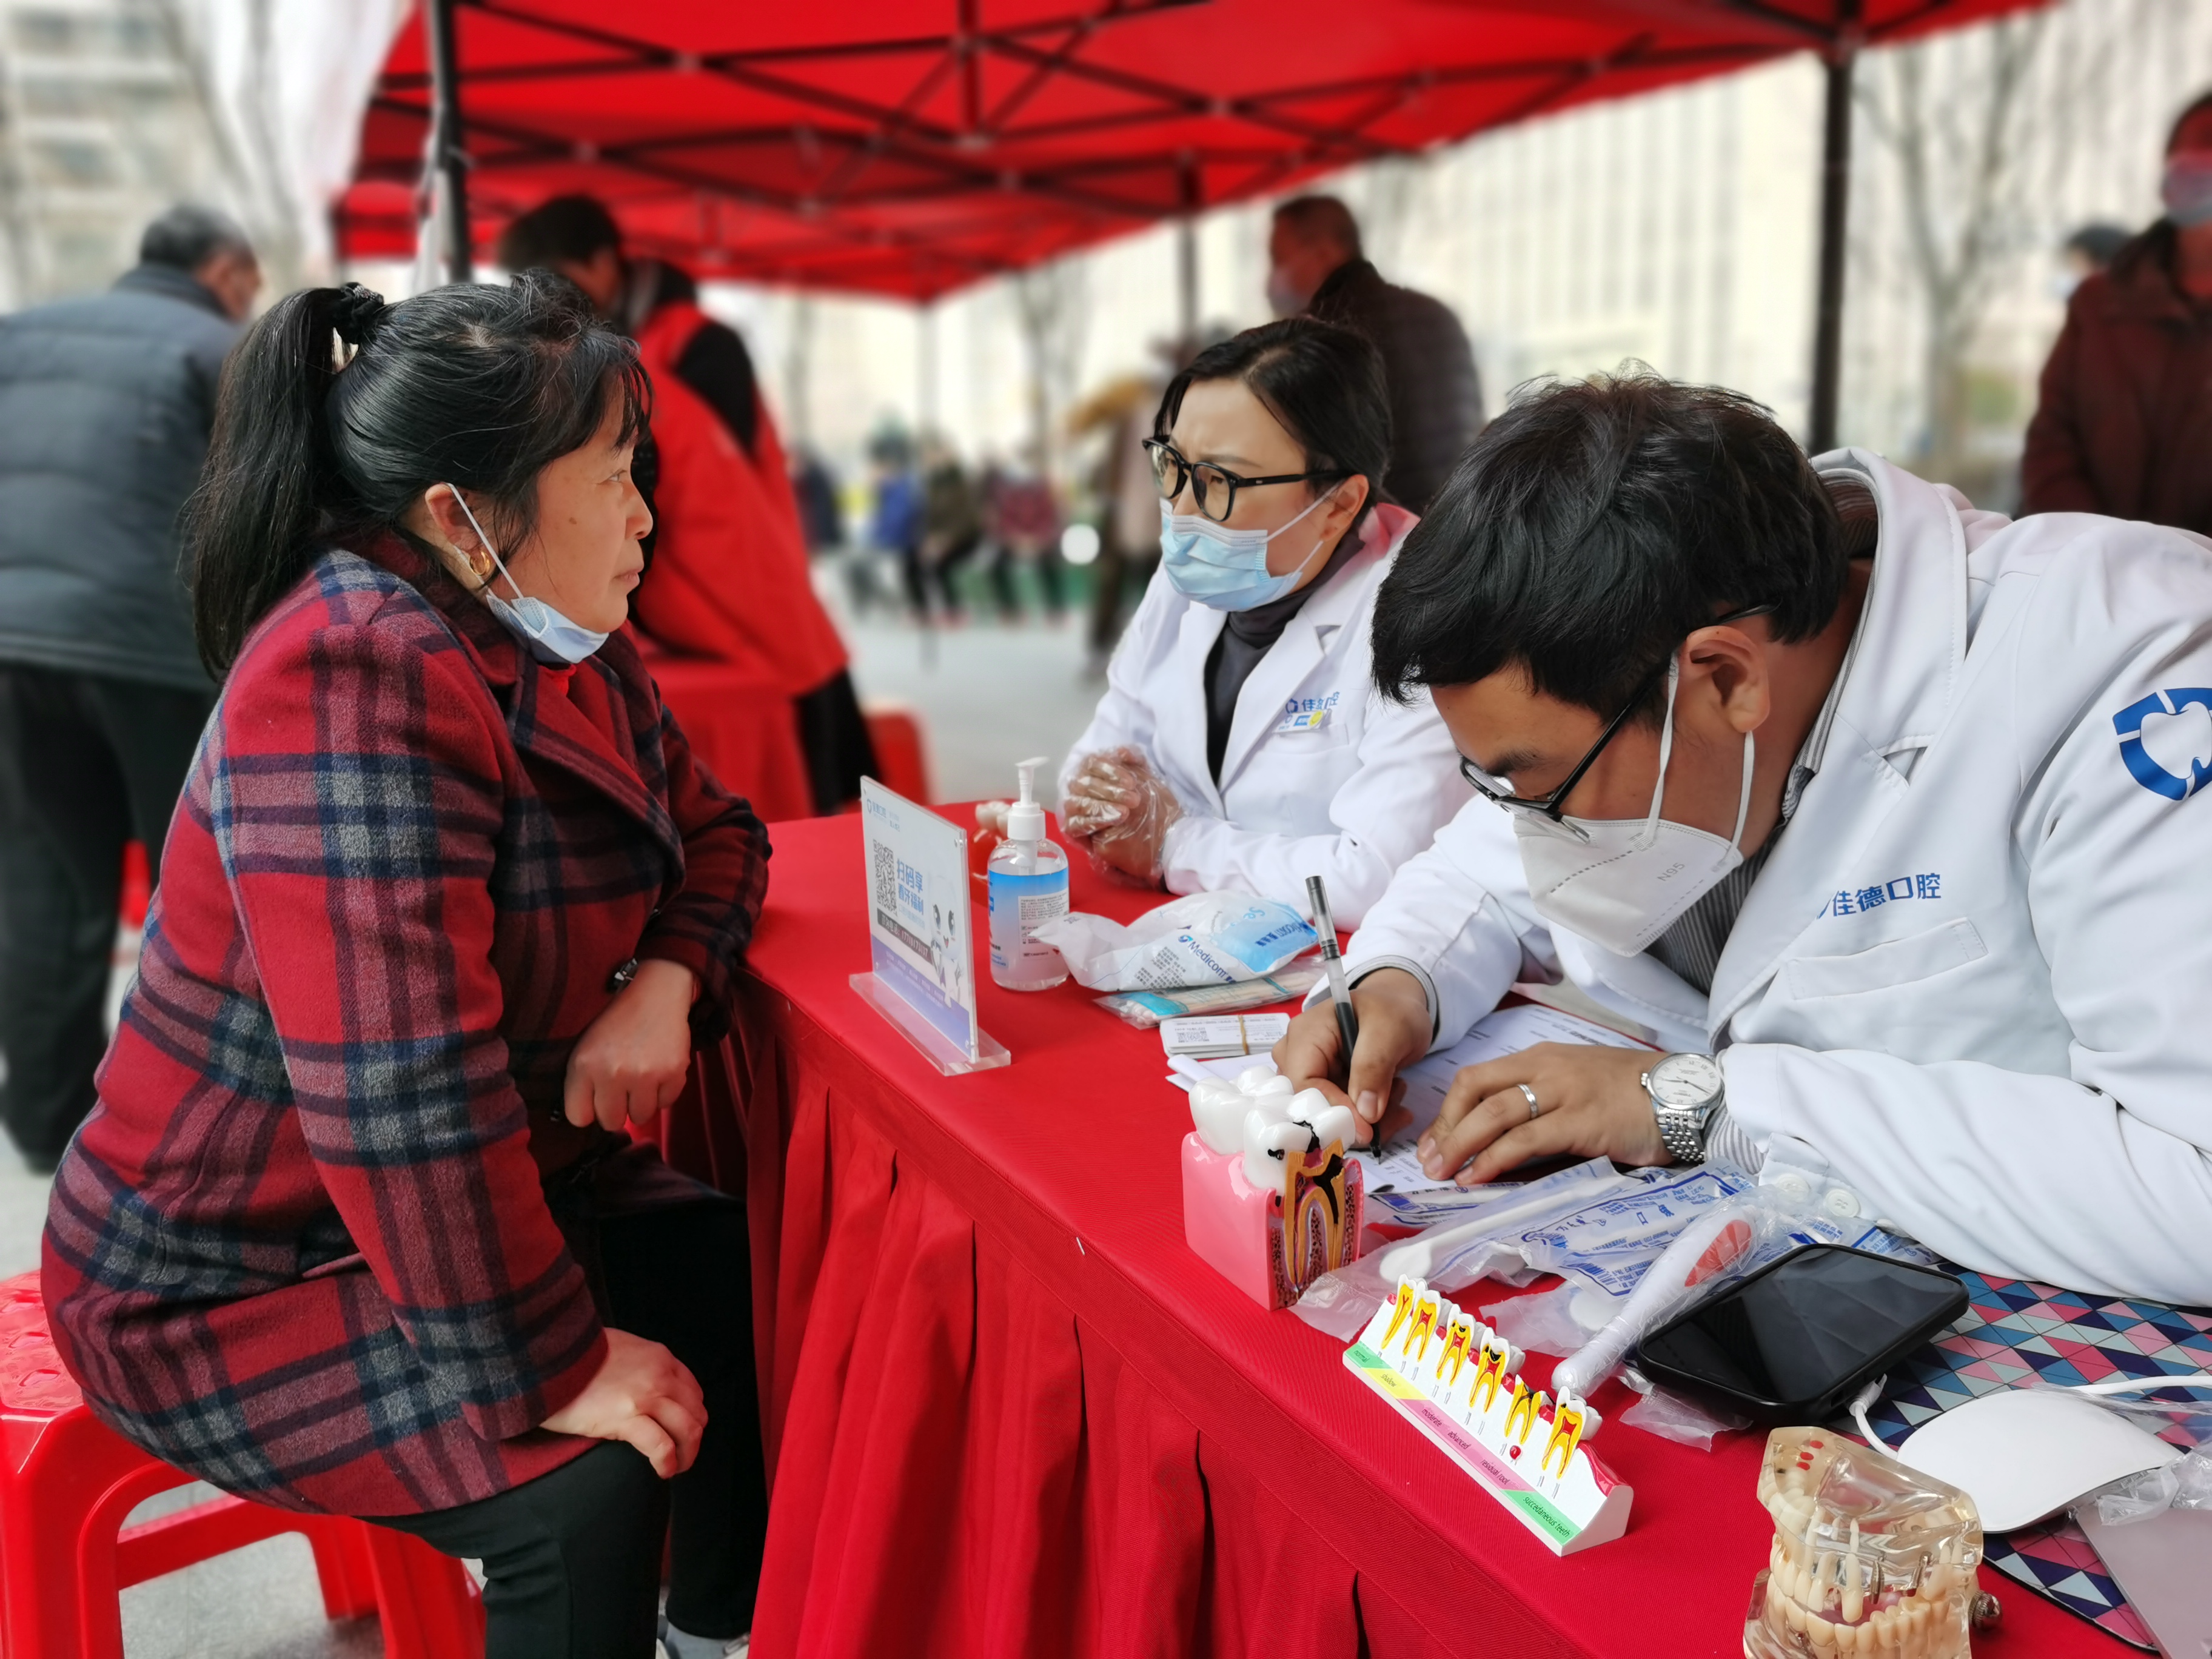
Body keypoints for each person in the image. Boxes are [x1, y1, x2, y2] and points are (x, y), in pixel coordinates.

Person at [42, 275, 770, 1658]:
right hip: (231, 1274)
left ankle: (715, 1633)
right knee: (588, 1483)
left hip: (470, 1199)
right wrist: (552, 1365)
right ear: (459, 510)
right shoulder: (348, 673)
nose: (644, 517)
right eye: (613, 478)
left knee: (736, 1269)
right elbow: (402, 1094)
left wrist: (669, 980)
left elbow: (723, 835)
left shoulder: (559, 634)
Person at [1273, 370, 2212, 1307]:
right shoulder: (1634, 664)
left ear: (1726, 680)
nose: (1523, 816)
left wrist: (1700, 1105)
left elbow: (2193, 1184)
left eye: (1537, 784)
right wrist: (1398, 982)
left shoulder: (2130, 673)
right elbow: (1481, 872)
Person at [1059, 318, 1472, 928]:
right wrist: (1108, 799)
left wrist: (1174, 844)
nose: (1183, 510)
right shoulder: (1189, 577)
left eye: (1220, 480)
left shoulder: (1422, 614)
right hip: (1182, 936)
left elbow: (1373, 877)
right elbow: (1093, 763)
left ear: (1338, 504)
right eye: (1173, 465)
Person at [0, 204, 260, 1171]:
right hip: (150, 646)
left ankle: (44, 1121)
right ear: (226, 271)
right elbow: (260, 497)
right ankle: (179, 1134)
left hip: (13, 640)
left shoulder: (18, 337)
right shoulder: (218, 348)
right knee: (190, 885)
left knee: (44, 879)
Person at [496, 195, 876, 815]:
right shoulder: (626, 359)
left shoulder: (685, 350)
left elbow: (698, 491)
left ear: (602, 264)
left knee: (813, 808)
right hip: (715, 605)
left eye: (556, 280)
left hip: (746, 596)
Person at [2022, 92, 2212, 537]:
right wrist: (2101, 552)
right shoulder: (2097, 306)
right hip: (2086, 567)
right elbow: (2051, 449)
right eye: (2196, 172)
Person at [1267, 195, 1481, 515]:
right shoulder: (1440, 316)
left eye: (1278, 259)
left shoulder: (1314, 339)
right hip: (1463, 527)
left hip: (1382, 539)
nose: (1272, 278)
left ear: (1323, 252)